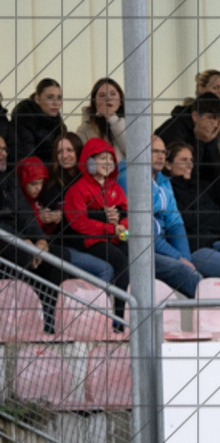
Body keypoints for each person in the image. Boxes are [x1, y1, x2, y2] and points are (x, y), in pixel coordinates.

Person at [164, 141, 220, 299]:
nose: (189, 164)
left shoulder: (200, 186)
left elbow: (219, 218)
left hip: (216, 242)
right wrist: (204, 215)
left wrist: (198, 216)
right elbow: (184, 220)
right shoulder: (167, 189)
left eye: (191, 160)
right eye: (184, 160)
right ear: (169, 165)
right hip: (196, 248)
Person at [118, 135, 202, 298]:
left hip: (160, 245)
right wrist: (178, 258)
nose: (161, 156)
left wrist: (184, 257)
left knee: (190, 267)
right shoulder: (129, 178)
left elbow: (175, 222)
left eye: (163, 152)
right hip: (137, 246)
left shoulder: (163, 180)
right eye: (154, 151)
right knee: (183, 269)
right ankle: (214, 313)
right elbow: (144, 231)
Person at [0, 137, 69, 333]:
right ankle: (20, 325)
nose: (4, 153)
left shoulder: (9, 178)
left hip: (18, 240)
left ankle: (47, 324)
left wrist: (40, 239)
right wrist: (22, 241)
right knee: (24, 256)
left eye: (5, 149)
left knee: (58, 259)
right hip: (6, 241)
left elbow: (24, 213)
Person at [64, 138, 130, 329]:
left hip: (118, 236)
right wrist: (110, 228)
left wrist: (122, 228)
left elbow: (126, 213)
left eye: (110, 159)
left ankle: (122, 314)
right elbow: (79, 222)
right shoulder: (77, 190)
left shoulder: (115, 188)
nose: (108, 163)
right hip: (93, 241)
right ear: (89, 161)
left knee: (132, 254)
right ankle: (117, 319)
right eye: (102, 158)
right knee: (121, 262)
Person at [17, 155, 114, 285]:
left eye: (41, 183)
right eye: (33, 183)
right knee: (104, 269)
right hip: (49, 252)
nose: (38, 188)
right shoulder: (18, 202)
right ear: (22, 182)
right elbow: (17, 226)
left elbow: (49, 233)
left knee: (106, 268)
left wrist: (52, 221)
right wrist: (40, 220)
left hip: (55, 247)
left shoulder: (41, 199)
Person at [156, 92, 220, 205]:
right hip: (173, 189)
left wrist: (209, 143)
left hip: (196, 188)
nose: (215, 124)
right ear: (195, 116)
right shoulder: (173, 130)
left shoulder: (206, 133)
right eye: (211, 118)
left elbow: (216, 175)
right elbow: (184, 174)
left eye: (219, 120)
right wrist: (199, 141)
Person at [10, 78, 66, 163]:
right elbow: (29, 159)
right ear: (37, 99)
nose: (56, 103)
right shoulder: (24, 120)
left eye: (59, 98)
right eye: (50, 97)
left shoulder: (58, 122)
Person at [75, 78, 127, 163]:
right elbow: (83, 160)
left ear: (120, 101)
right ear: (94, 102)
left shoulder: (132, 124)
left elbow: (133, 151)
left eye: (113, 94)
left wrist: (112, 118)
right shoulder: (84, 129)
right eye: (102, 95)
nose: (108, 98)